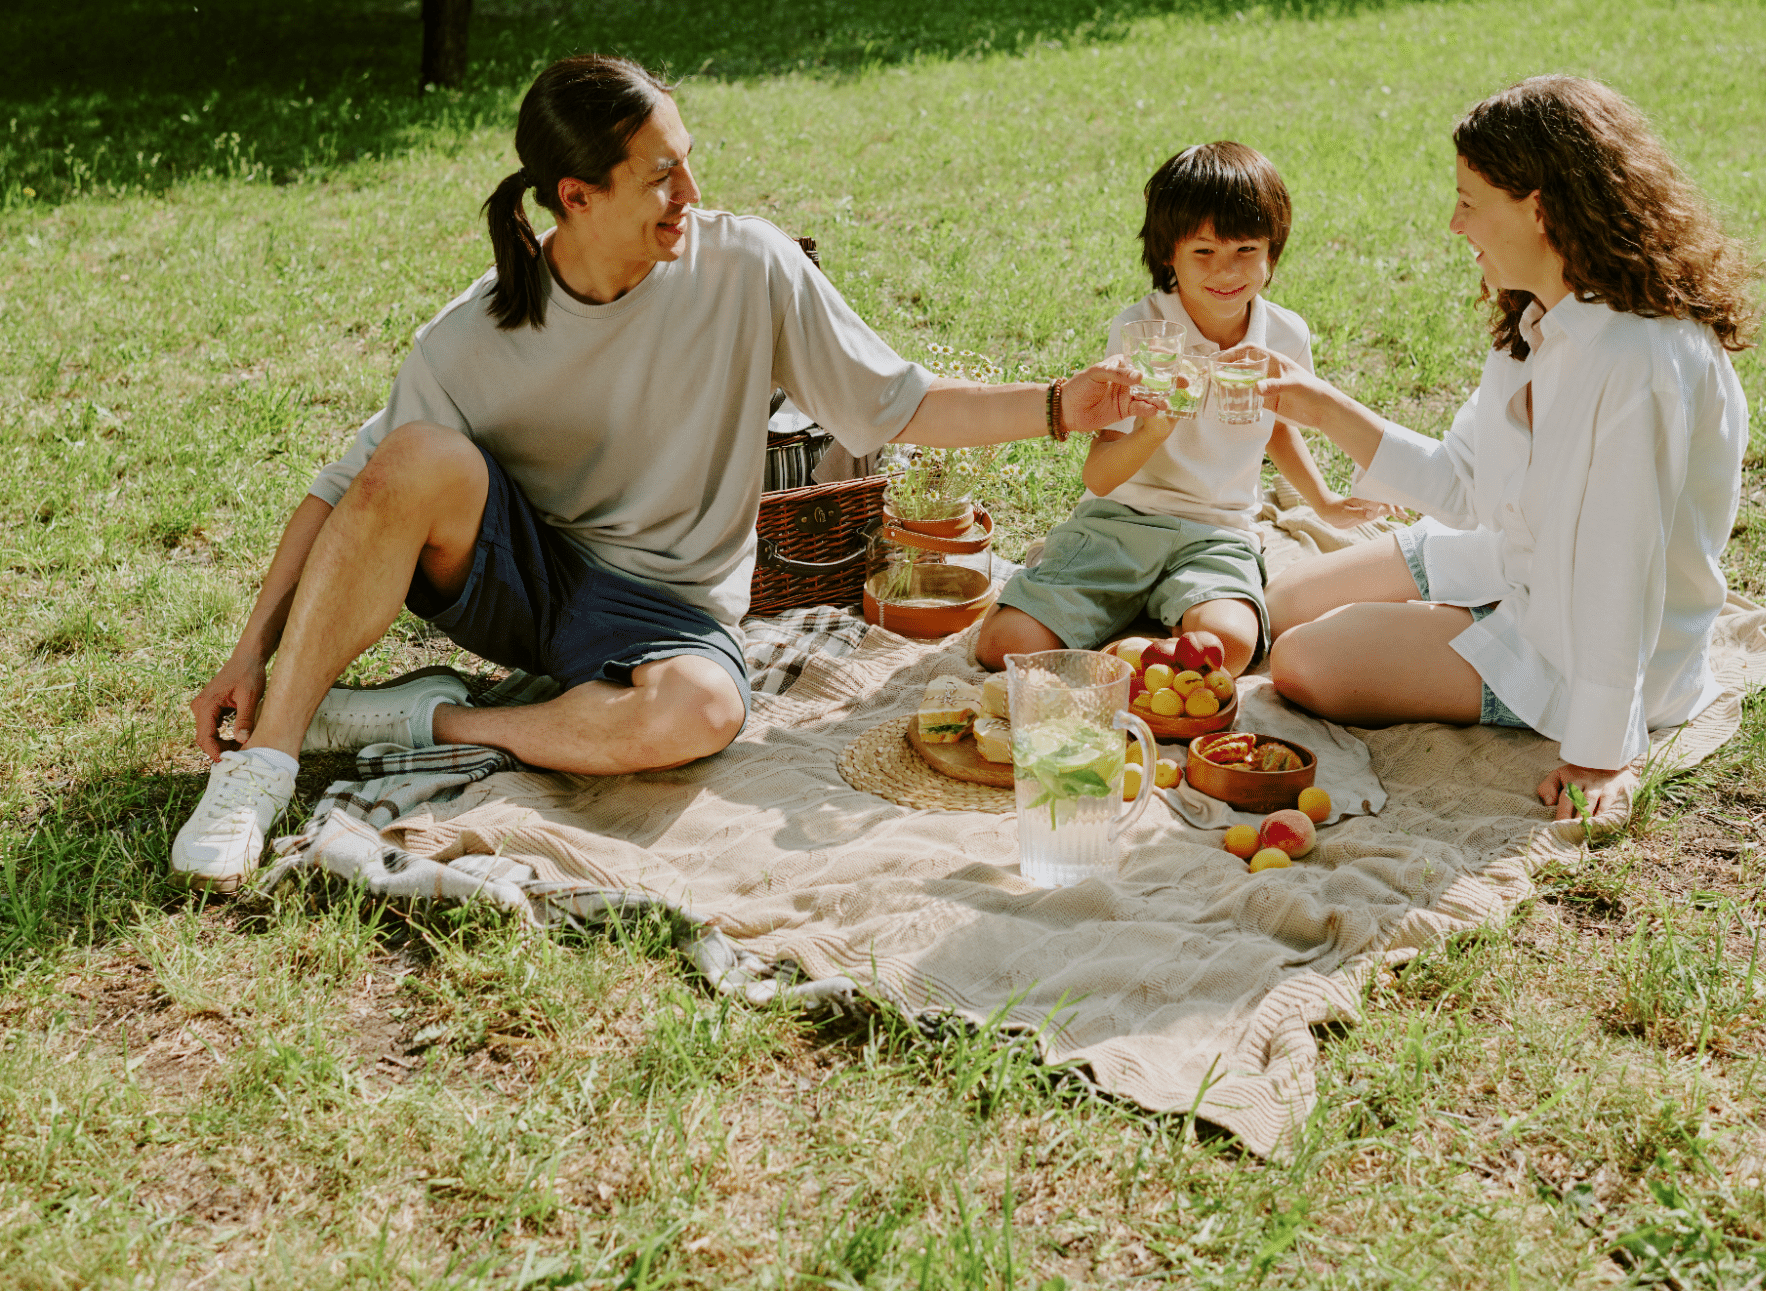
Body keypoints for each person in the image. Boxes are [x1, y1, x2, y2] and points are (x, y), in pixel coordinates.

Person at [175, 54, 1157, 891]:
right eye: (660, 178)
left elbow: (895, 402)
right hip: (519, 575)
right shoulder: (473, 337)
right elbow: (345, 495)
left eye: (688, 165)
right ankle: (265, 767)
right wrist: (245, 659)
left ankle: (439, 718)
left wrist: (1061, 404)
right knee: (412, 457)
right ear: (577, 197)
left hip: (668, 606)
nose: (691, 197)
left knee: (703, 712)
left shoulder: (750, 270)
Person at [1254, 76, 1754, 819]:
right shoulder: (1541, 321)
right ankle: (1463, 613)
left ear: (1540, 207)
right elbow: (1462, 485)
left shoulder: (1639, 360)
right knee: (1284, 603)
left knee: (1301, 662)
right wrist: (1322, 408)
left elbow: (1622, 566)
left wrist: (1596, 752)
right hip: (1515, 560)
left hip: (1576, 641)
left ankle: (1501, 657)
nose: (1455, 224)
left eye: (1467, 199)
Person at [976, 142, 1388, 677]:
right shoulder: (1142, 333)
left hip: (1217, 533)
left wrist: (1326, 503)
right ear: (1169, 252)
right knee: (1003, 643)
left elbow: (1280, 431)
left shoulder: (1285, 335)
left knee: (1230, 648)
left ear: (1273, 252)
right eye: (1204, 252)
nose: (1226, 271)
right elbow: (1099, 477)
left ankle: (1135, 643)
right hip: (1118, 524)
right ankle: (1133, 642)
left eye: (1246, 250)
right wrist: (1154, 429)